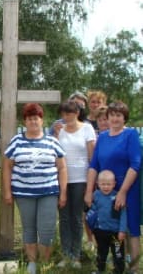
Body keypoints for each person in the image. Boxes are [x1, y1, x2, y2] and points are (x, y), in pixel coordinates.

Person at [3, 103, 67, 274]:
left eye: (36, 118)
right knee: (29, 228)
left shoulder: (52, 141)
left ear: (42, 120)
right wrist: (8, 192)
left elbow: (62, 168)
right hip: (24, 193)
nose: (33, 122)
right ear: (24, 121)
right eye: (29, 118)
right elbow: (7, 166)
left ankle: (44, 263)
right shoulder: (16, 141)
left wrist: (63, 193)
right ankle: (31, 263)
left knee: (47, 229)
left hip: (49, 193)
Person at [85, 101, 141, 274]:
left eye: (119, 115)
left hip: (128, 189)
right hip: (104, 191)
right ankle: (112, 263)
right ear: (107, 118)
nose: (115, 118)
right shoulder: (102, 137)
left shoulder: (130, 135)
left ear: (124, 118)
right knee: (107, 226)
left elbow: (136, 164)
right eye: (112, 115)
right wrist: (89, 191)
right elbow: (94, 165)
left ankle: (133, 267)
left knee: (130, 229)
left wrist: (123, 192)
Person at [57, 100, 96, 269]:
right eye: (64, 114)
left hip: (81, 178)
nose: (67, 116)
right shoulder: (59, 130)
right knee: (64, 218)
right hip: (63, 179)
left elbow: (92, 157)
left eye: (70, 113)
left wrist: (91, 184)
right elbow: (56, 155)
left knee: (77, 218)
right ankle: (66, 254)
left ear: (77, 113)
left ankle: (76, 255)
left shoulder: (87, 129)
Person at [86, 170, 127, 274]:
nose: (106, 187)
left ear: (114, 184)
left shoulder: (117, 197)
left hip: (115, 232)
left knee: (118, 253)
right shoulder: (95, 195)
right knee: (101, 252)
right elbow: (92, 212)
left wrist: (122, 230)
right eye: (103, 184)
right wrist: (93, 227)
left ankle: (118, 270)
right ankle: (100, 269)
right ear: (98, 184)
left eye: (108, 184)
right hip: (101, 231)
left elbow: (123, 215)